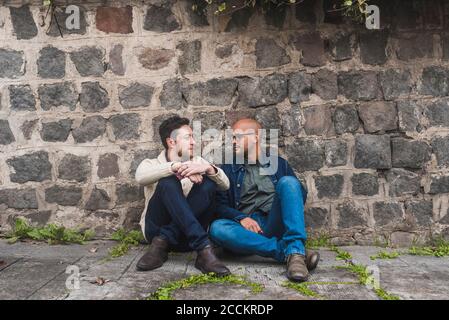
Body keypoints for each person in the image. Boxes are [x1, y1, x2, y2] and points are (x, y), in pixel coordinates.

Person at [209, 118, 319, 282]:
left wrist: (288, 192)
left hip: (275, 222)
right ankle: (292, 253)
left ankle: (294, 249)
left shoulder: (279, 164)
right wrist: (241, 218)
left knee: (289, 183)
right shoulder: (227, 169)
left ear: (255, 137)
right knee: (217, 228)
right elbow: (220, 206)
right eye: (232, 137)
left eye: (237, 137)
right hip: (246, 230)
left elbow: (297, 197)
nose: (233, 142)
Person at [134, 115, 231, 276]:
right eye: (188, 137)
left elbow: (225, 185)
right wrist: (177, 168)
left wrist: (208, 169)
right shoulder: (151, 164)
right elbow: (140, 177)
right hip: (155, 232)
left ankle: (164, 241)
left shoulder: (198, 162)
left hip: (186, 239)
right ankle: (203, 249)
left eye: (193, 137)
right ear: (171, 142)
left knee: (209, 183)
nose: (193, 142)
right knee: (168, 183)